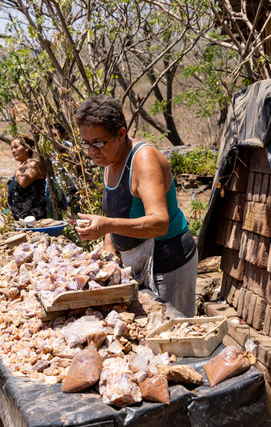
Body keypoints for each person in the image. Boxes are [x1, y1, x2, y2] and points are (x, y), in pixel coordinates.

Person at [74, 94, 198, 317]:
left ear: (120, 134)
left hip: (167, 261)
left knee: (173, 333)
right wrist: (108, 252)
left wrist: (107, 225)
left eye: (98, 143)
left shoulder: (143, 160)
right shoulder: (109, 158)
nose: (92, 151)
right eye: (87, 143)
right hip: (136, 262)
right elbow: (114, 214)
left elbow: (159, 223)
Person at [7, 136, 46, 220]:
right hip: (22, 220)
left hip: (35, 219)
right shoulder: (24, 166)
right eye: (11, 148)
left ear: (27, 148)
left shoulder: (34, 164)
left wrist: (17, 170)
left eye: (16, 147)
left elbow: (23, 182)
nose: (13, 151)